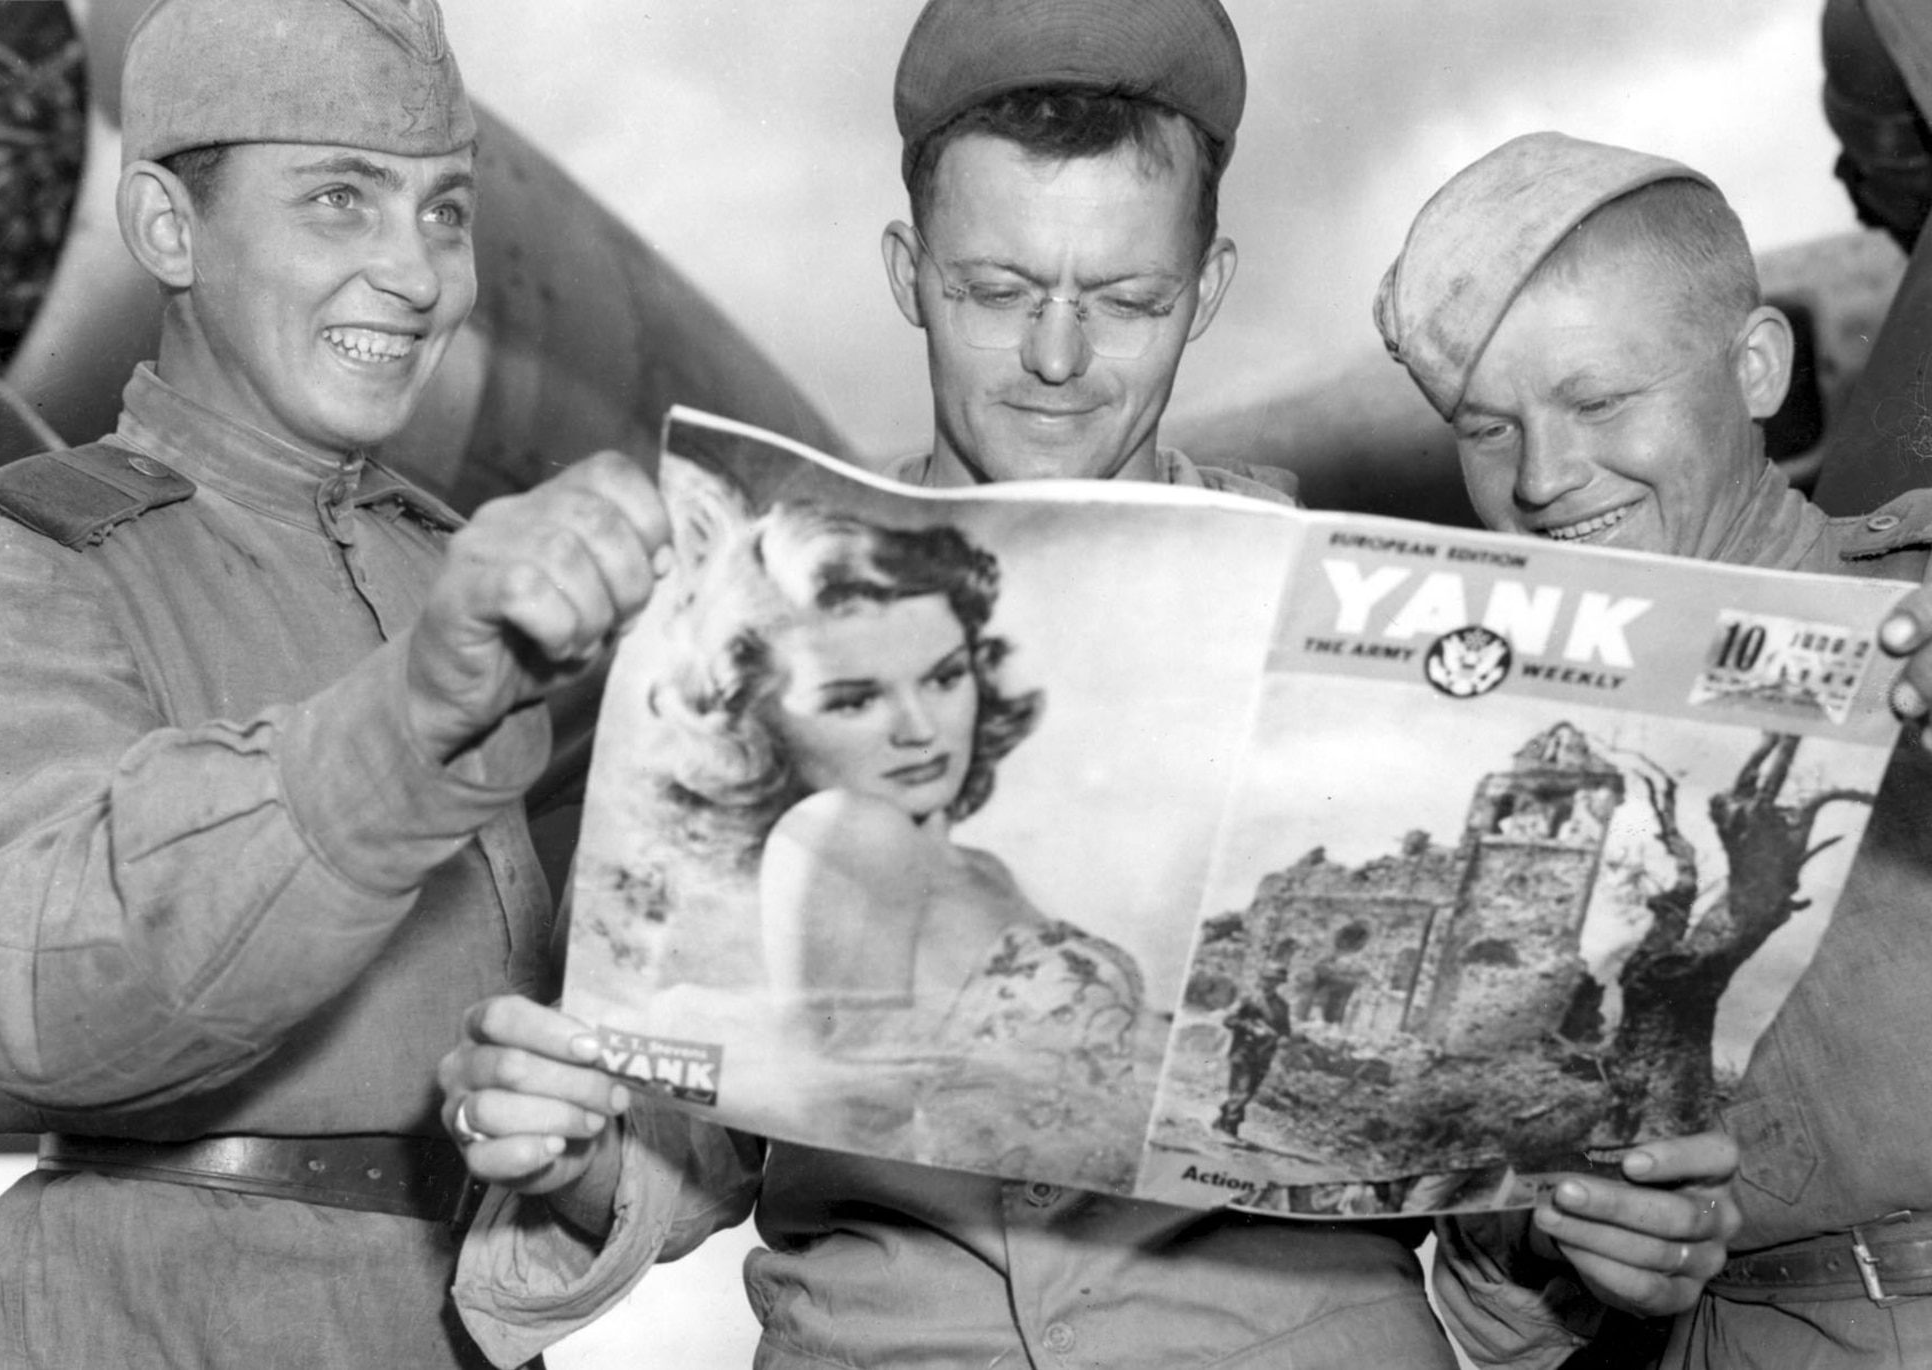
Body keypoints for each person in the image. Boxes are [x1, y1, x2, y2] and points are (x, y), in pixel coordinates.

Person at [443, 8, 1740, 1369]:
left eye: (1126, 301)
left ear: (1210, 285)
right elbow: (677, 1143)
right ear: (906, 270)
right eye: (996, 293)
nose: (1058, 361)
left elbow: (1479, 1212)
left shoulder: (1365, 644)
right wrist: (568, 1150)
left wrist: (1580, 1226)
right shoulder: (744, 629)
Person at [0, 1, 680, 1366]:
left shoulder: (439, 565)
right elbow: (15, 992)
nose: (422, 275)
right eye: (342, 198)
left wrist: (579, 1159)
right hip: (139, 1324)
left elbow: (595, 1060)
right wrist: (408, 721)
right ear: (166, 228)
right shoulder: (51, 555)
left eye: (446, 211)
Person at [1375, 129, 1932, 1367]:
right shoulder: (1497, 790)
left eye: (1596, 400)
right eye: (1484, 427)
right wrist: (1555, 1243)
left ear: (1754, 366)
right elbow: (1487, 1325)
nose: (1541, 477)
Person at [638, 486, 1145, 1186]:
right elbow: (861, 1120)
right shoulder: (849, 833)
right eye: (854, 699)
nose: (919, 728)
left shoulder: (978, 865)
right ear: (763, 721)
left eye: (944, 677)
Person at [1216, 967, 1294, 1140]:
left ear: (1279, 983)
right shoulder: (1248, 999)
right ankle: (1230, 1128)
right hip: (1243, 1050)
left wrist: (1283, 1038)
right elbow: (1228, 1020)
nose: (1270, 983)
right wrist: (1251, 1028)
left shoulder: (1282, 1006)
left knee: (1249, 1091)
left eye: (1275, 980)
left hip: (1265, 1054)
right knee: (1241, 1089)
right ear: (1261, 979)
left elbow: (1285, 1030)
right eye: (1268, 979)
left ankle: (1223, 1116)